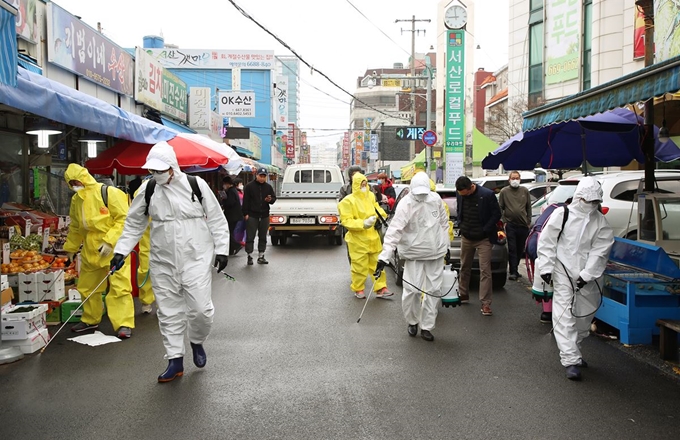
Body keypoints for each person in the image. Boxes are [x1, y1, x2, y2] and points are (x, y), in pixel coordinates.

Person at [111, 141, 230, 383]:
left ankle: (197, 340)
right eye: (153, 170)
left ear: (173, 167)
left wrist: (222, 250)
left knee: (201, 310)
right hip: (162, 260)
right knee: (168, 312)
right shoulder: (148, 190)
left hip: (195, 257)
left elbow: (217, 219)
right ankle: (175, 360)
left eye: (161, 170)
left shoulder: (196, 185)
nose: (157, 174)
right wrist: (121, 251)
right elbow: (134, 223)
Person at [537, 177, 614, 381]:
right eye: (587, 201)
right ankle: (570, 359)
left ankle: (575, 350)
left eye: (594, 202)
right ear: (578, 197)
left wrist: (587, 274)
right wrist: (546, 268)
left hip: (589, 277)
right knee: (564, 315)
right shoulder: (562, 214)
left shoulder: (600, 222)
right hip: (563, 270)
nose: (590, 205)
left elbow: (601, 251)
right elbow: (546, 241)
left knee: (584, 316)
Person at [63, 164, 135, 339]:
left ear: (85, 177)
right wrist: (71, 248)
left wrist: (109, 241)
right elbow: (75, 226)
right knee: (87, 287)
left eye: (77, 181)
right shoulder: (76, 200)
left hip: (115, 248)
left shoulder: (109, 193)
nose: (75, 184)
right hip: (90, 249)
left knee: (119, 287)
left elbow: (124, 219)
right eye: (71, 182)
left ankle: (123, 323)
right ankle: (90, 319)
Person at [376, 172, 449, 341]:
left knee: (433, 291)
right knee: (412, 291)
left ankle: (427, 326)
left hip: (435, 252)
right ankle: (412, 321)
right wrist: (384, 256)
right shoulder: (405, 204)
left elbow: (444, 224)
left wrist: (445, 245)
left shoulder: (436, 199)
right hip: (413, 254)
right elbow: (394, 231)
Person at [337, 172, 391, 299]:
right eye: (361, 184)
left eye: (365, 183)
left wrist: (382, 215)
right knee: (359, 267)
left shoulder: (370, 196)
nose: (364, 186)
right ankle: (359, 288)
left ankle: (381, 288)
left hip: (373, 236)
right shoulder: (347, 202)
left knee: (377, 264)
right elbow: (346, 221)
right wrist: (363, 223)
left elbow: (376, 207)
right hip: (357, 239)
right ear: (355, 184)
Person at [455, 175, 501, 316]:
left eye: (464, 193)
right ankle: (463, 293)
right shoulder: (461, 194)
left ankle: (486, 303)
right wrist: (460, 224)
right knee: (464, 266)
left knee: (485, 271)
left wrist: (485, 229)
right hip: (467, 236)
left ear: (471, 187)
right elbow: (459, 210)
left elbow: (497, 214)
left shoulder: (487, 195)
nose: (462, 195)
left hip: (483, 238)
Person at [498, 170, 532, 281]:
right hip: (511, 225)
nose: (515, 180)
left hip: (523, 225)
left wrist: (528, 221)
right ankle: (513, 271)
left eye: (517, 178)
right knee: (512, 248)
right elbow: (500, 207)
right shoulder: (504, 191)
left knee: (520, 248)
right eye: (513, 178)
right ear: (509, 179)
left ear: (520, 179)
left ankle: (516, 269)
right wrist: (504, 221)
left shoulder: (524, 191)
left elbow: (528, 207)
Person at [242, 167, 276, 265]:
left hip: (264, 214)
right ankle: (249, 255)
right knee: (250, 236)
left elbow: (273, 199)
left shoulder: (268, 187)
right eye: (260, 176)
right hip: (252, 215)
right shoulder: (249, 186)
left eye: (264, 176)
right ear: (256, 175)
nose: (262, 178)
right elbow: (246, 201)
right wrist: (245, 213)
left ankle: (261, 255)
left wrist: (270, 200)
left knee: (263, 236)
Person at [220, 175, 244, 255]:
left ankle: (236, 245)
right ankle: (231, 248)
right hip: (234, 215)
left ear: (227, 183)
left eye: (224, 184)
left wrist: (223, 200)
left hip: (232, 215)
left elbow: (230, 203)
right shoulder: (233, 190)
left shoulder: (231, 191)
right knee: (230, 231)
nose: (224, 185)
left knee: (229, 232)